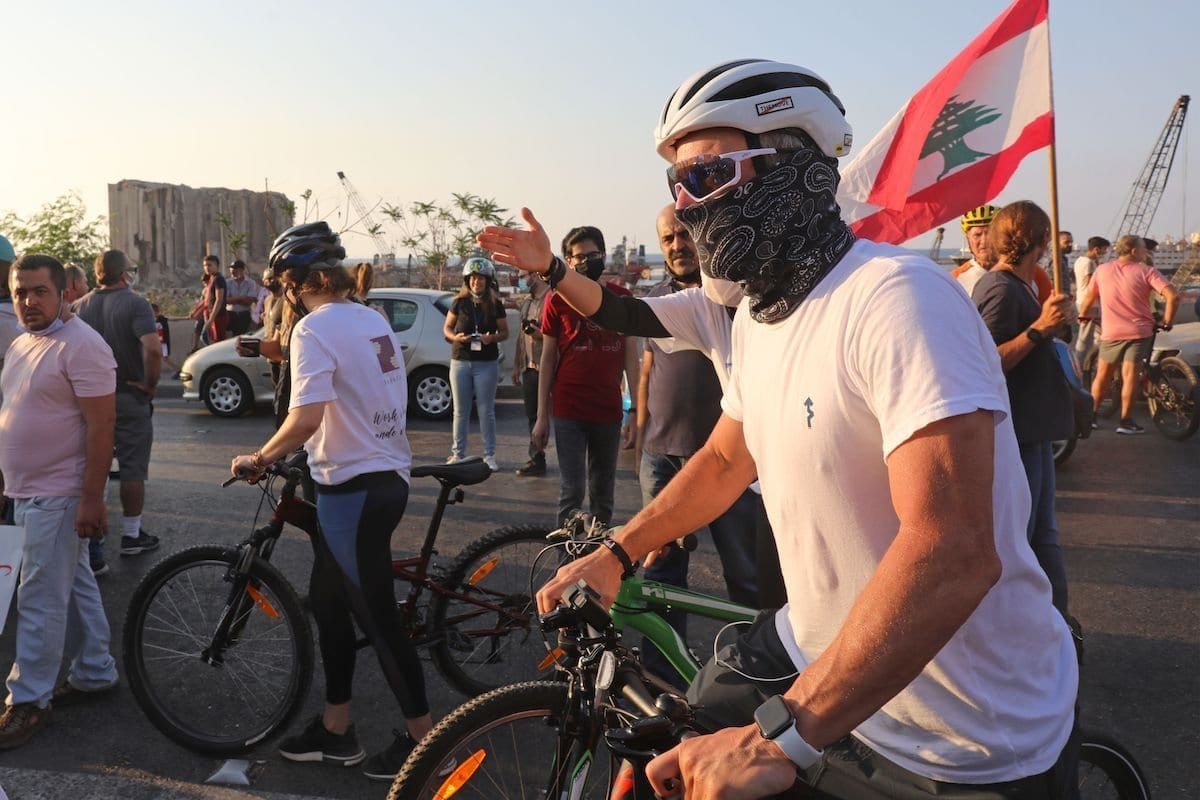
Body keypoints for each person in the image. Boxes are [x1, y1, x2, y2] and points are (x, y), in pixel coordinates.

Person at [527, 59, 1077, 799]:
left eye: (709, 175)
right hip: (818, 652)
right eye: (676, 185)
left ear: (801, 170)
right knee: (662, 749)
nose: (688, 206)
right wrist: (619, 551)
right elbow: (727, 459)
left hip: (960, 732)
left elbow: (952, 551)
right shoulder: (756, 313)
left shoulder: (896, 301)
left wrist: (779, 736)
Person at [231, 221, 433, 782]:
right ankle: (336, 729)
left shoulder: (313, 330)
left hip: (350, 490)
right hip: (387, 479)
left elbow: (307, 415)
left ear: (296, 284)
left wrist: (262, 457)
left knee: (377, 616)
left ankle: (431, 745)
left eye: (280, 285)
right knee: (328, 601)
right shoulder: (372, 317)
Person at [635, 205, 759, 685]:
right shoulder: (655, 301)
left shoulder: (736, 297)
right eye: (667, 238)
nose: (676, 245)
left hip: (728, 461)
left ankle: (755, 676)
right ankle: (660, 679)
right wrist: (639, 431)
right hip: (661, 455)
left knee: (744, 578)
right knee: (662, 578)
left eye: (684, 234)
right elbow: (647, 372)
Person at [0, 254, 119, 749]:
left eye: (39, 291)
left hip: (60, 493)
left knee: (40, 599)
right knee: (74, 585)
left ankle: (28, 700)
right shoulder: (24, 343)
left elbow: (102, 428)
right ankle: (94, 670)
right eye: (20, 291)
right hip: (25, 490)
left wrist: (90, 498)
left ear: (64, 293)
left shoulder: (83, 347)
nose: (28, 301)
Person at [971, 201, 1075, 617]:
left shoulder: (1021, 285)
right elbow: (985, 359)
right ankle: (1026, 630)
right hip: (1019, 434)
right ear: (1041, 240)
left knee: (1043, 537)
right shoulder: (1000, 288)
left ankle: (1058, 628)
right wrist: (1039, 330)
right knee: (1024, 541)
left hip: (1034, 431)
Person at [536, 226, 638, 525]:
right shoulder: (556, 301)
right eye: (579, 257)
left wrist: (634, 412)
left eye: (592, 255)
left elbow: (631, 356)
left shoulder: (622, 298)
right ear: (568, 261)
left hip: (608, 411)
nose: (586, 262)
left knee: (602, 494)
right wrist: (542, 415)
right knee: (572, 492)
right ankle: (566, 564)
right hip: (569, 410)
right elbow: (547, 357)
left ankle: (596, 563)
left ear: (603, 256)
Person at [73, 250, 162, 574]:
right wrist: (149, 385)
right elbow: (152, 348)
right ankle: (131, 534)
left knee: (91, 463)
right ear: (123, 273)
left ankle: (90, 540)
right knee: (132, 468)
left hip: (89, 400)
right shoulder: (135, 303)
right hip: (127, 394)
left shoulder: (79, 307)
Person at [1078, 234, 1179, 434]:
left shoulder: (1102, 270)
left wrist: (1083, 314)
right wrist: (1167, 320)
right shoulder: (1147, 271)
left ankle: (1091, 417)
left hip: (1111, 331)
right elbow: (1173, 295)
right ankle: (1125, 421)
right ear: (1134, 251)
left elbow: (1090, 296)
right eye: (1143, 249)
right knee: (1130, 376)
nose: (1146, 252)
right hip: (1139, 332)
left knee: (1103, 375)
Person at [443, 258, 508, 470]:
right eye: (472, 279)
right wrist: (456, 338)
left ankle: (489, 455)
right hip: (460, 361)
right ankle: (457, 454)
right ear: (467, 281)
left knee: (485, 410)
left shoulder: (496, 305)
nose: (475, 283)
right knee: (460, 411)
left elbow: (505, 332)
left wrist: (492, 339)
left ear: (487, 281)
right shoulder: (459, 303)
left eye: (480, 279)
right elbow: (447, 329)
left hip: (486, 364)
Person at [511, 272, 550, 476]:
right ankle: (536, 458)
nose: (520, 279)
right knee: (532, 415)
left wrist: (539, 333)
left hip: (549, 367)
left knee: (557, 417)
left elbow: (558, 334)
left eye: (523, 275)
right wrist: (517, 365)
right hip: (529, 367)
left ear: (535, 275)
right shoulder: (526, 302)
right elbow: (520, 336)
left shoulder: (552, 299)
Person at [1072, 236, 1111, 362]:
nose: (1105, 253)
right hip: (1089, 303)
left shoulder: (1080, 260)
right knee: (1085, 337)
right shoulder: (1088, 263)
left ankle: (1093, 361)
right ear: (1096, 249)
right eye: (1104, 250)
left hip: (1083, 301)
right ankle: (1079, 365)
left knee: (1098, 334)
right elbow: (1092, 285)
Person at [950, 204, 999, 297]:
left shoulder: (1027, 272)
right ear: (968, 238)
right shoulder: (955, 280)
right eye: (977, 235)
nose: (984, 241)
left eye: (990, 233)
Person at [224, 259, 257, 337]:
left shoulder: (250, 283)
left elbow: (250, 301)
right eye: (232, 271)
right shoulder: (227, 283)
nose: (233, 272)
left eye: (235, 270)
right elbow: (225, 300)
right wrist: (242, 298)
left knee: (242, 337)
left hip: (244, 315)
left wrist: (234, 299)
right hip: (230, 315)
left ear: (242, 270)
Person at [201, 255, 228, 342]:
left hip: (218, 316)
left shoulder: (218, 279)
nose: (206, 268)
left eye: (209, 265)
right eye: (205, 265)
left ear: (216, 266)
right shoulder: (212, 278)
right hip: (212, 315)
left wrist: (211, 319)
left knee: (217, 343)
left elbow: (219, 299)